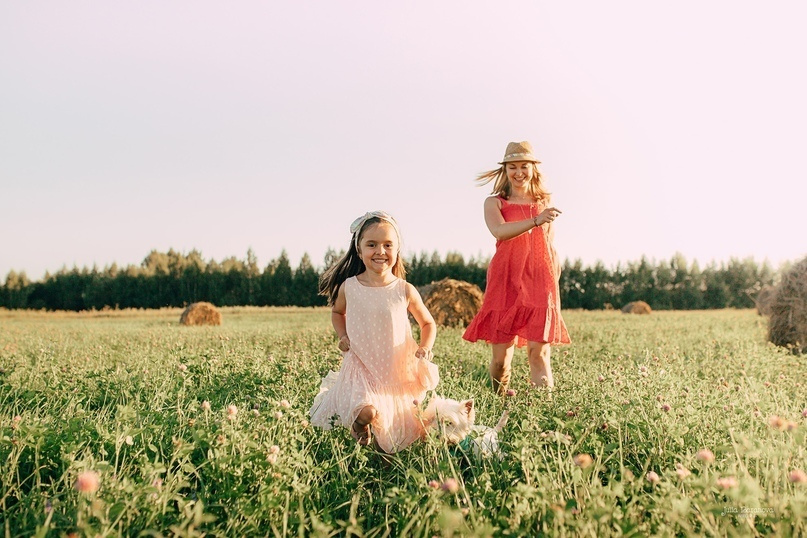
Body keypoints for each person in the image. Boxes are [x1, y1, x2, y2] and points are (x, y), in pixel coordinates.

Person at [309, 211, 439, 453]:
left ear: (397, 249)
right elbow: (337, 313)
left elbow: (428, 323)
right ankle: (359, 425)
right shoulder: (350, 287)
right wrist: (342, 336)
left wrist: (425, 347)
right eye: (372, 245)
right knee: (367, 412)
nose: (380, 251)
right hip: (361, 365)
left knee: (389, 442)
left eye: (388, 245)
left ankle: (382, 475)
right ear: (359, 250)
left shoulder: (404, 289)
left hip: (395, 371)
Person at [462, 141, 570, 394]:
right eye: (513, 167)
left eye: (524, 166)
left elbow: (548, 243)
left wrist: (554, 275)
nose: (519, 172)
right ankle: (499, 403)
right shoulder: (494, 203)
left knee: (539, 354)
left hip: (540, 280)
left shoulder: (545, 201)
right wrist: (534, 220)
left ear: (534, 169)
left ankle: (543, 418)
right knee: (501, 361)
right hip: (506, 278)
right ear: (505, 170)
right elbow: (499, 231)